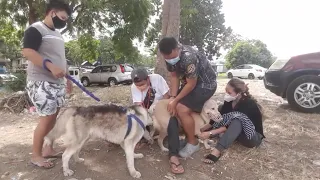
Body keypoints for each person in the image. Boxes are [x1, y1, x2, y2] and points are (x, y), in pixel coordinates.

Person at [22, 0, 72, 169]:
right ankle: (36, 155)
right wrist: (49, 66)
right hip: (41, 81)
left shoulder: (58, 34)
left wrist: (68, 79)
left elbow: (61, 59)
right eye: (63, 17)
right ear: (52, 12)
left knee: (53, 117)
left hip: (57, 82)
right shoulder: (36, 29)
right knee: (47, 118)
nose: (64, 22)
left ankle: (48, 148)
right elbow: (27, 52)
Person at [158, 37, 217, 174]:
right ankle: (182, 136)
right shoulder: (170, 57)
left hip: (205, 85)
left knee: (181, 109)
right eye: (165, 57)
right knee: (173, 105)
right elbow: (174, 76)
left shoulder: (189, 57)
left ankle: (193, 143)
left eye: (170, 56)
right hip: (190, 84)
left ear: (176, 49)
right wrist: (172, 98)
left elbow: (191, 84)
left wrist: (176, 101)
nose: (168, 59)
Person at [198, 78, 265, 164]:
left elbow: (231, 125)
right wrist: (203, 129)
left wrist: (211, 133)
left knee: (238, 119)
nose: (227, 94)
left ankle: (217, 152)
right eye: (226, 91)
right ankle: (223, 136)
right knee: (221, 108)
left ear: (239, 93)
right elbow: (219, 118)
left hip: (251, 137)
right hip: (238, 134)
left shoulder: (249, 103)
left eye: (229, 93)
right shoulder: (229, 101)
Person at [130, 68, 170, 148]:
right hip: (147, 110)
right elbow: (138, 105)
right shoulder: (134, 87)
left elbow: (166, 97)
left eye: (142, 84)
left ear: (148, 78)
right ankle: (143, 137)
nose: (140, 87)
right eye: (138, 85)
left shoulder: (157, 79)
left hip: (161, 106)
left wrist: (162, 111)